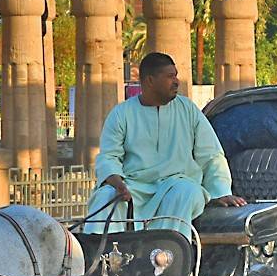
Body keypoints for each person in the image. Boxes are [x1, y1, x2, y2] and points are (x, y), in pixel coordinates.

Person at [85, 52, 246, 231]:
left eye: (176, 75)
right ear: (150, 81)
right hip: (134, 187)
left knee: (185, 192)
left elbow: (211, 155)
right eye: (170, 76)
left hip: (177, 183)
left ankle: (166, 254)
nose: (176, 81)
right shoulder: (121, 113)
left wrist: (221, 192)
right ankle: (103, 257)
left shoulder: (188, 110)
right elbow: (109, 157)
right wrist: (118, 184)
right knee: (105, 197)